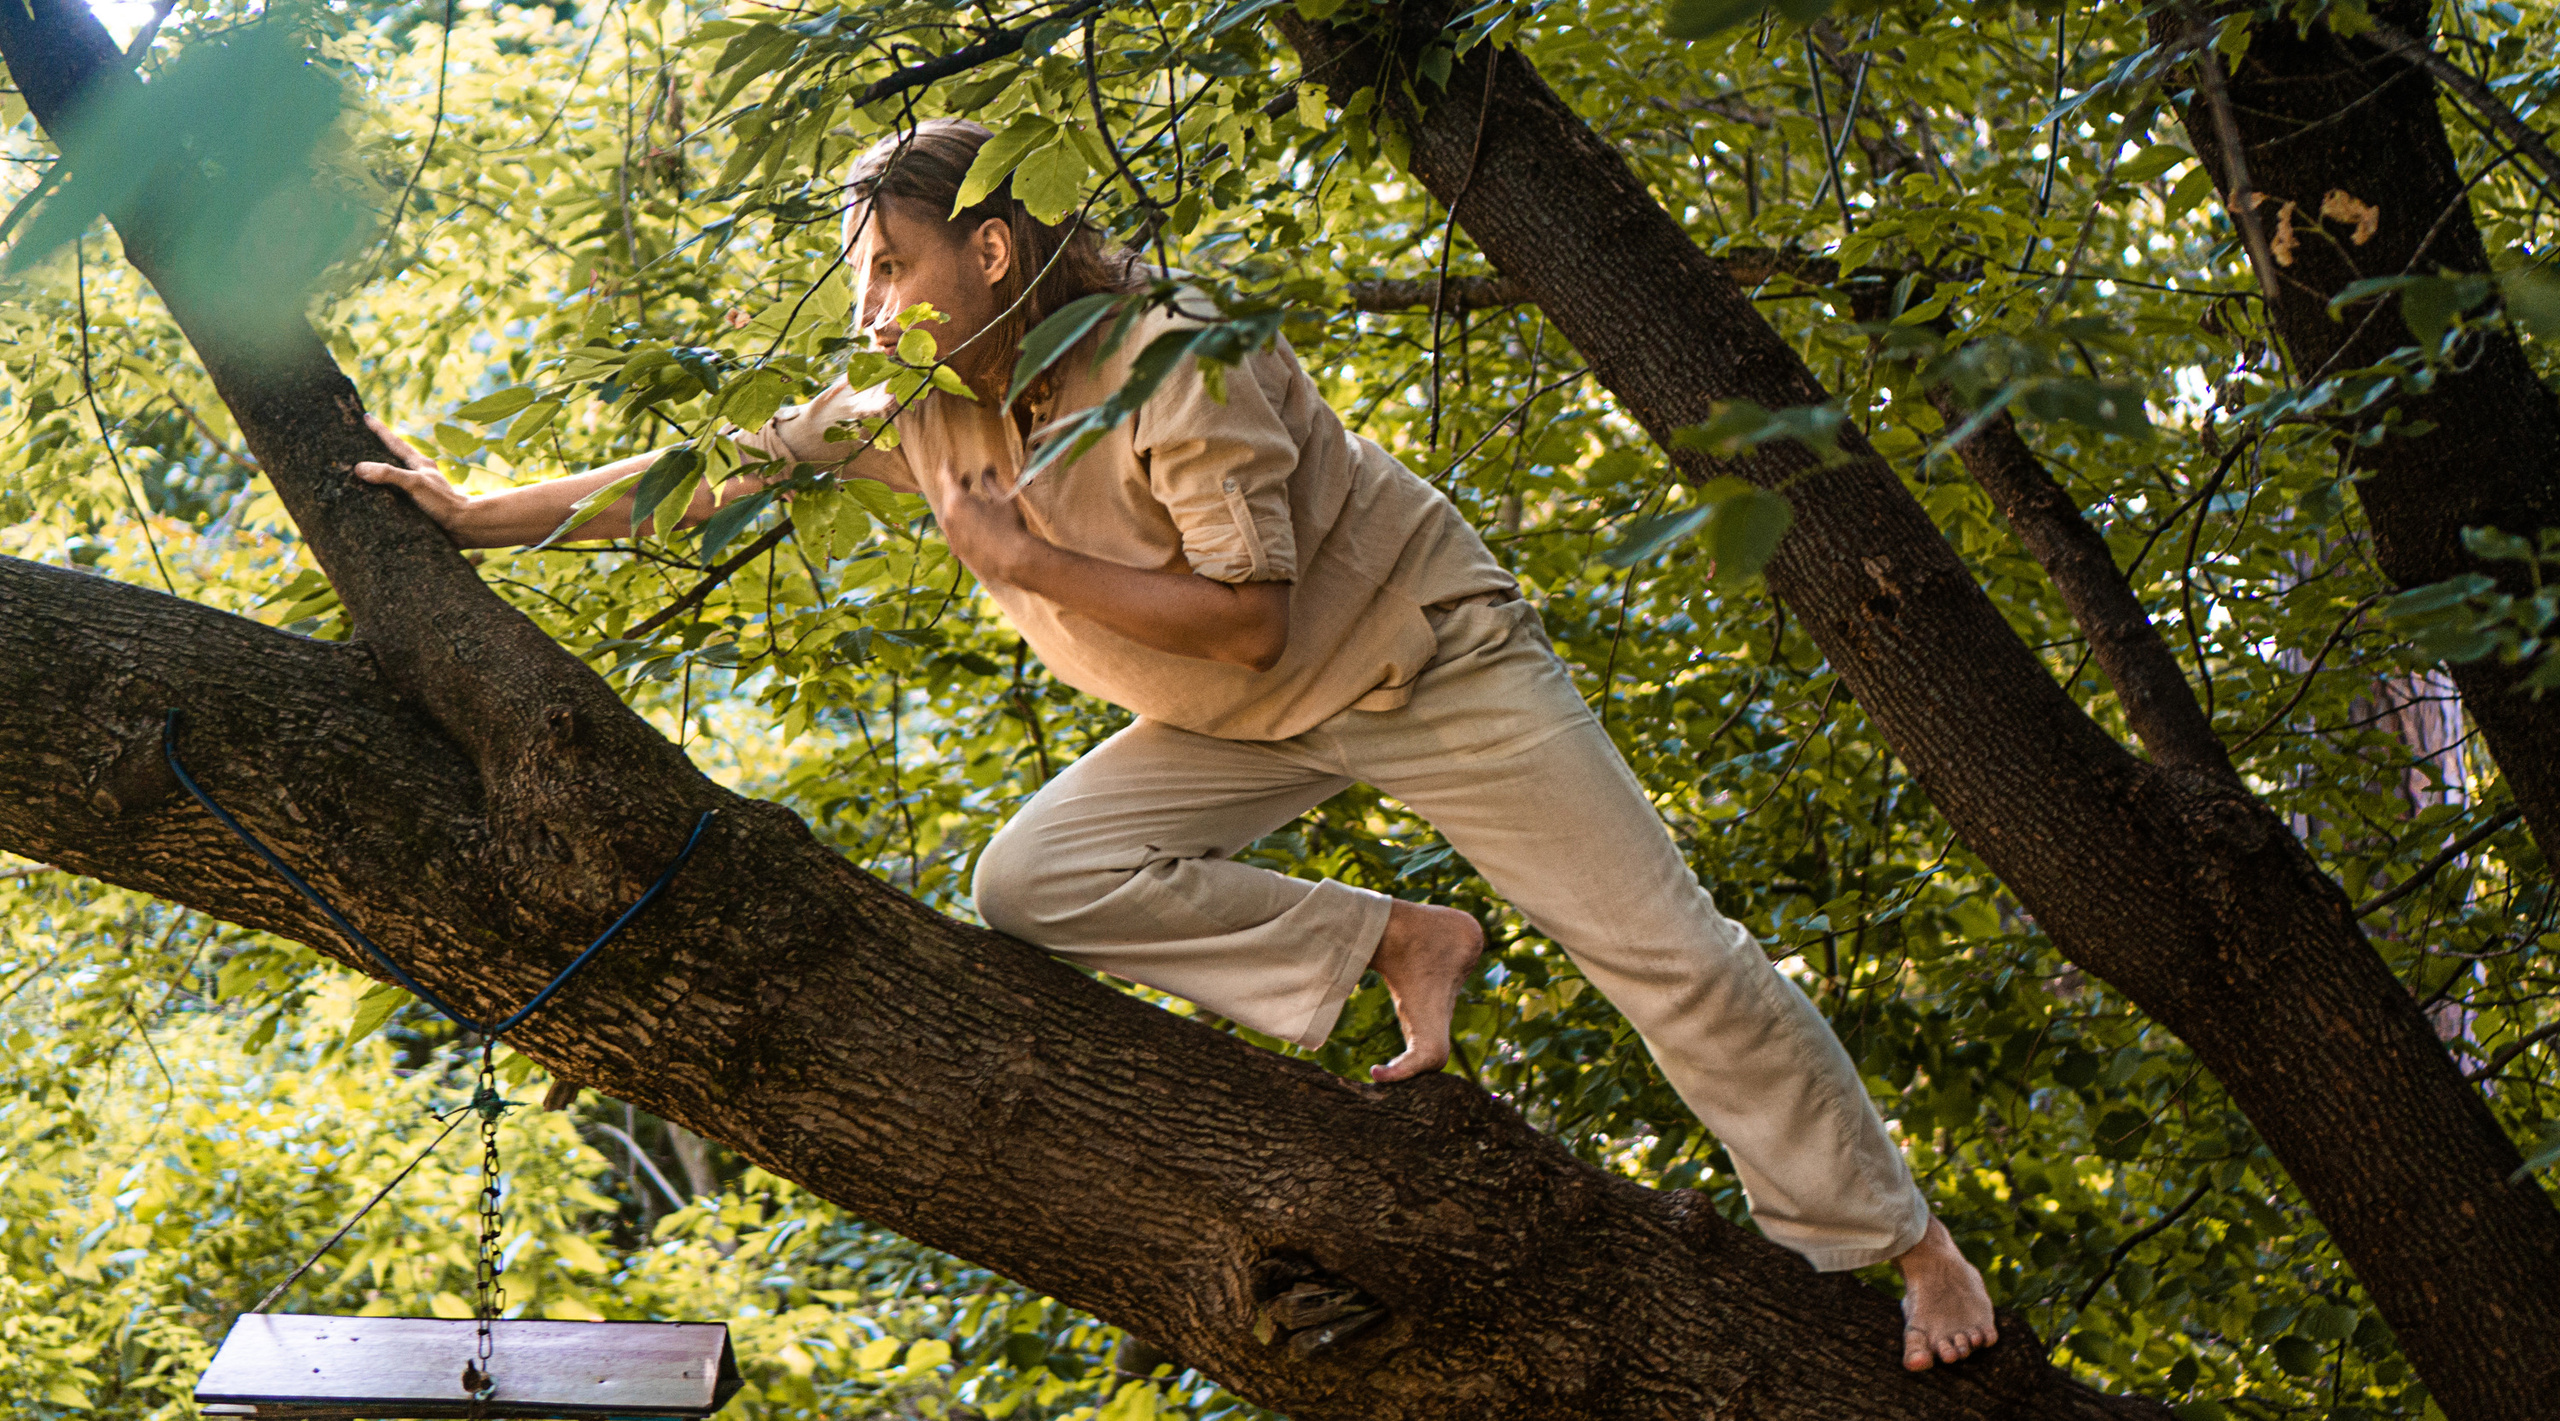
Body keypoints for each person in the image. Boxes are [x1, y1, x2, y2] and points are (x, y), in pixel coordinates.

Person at [355, 117, 1998, 1370]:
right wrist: (480, 515)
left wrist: (1028, 561)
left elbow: (1254, 614)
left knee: (1670, 957)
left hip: (1417, 657)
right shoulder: (919, 403)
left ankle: (1902, 1246)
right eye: (860, 276)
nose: (869, 308)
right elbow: (714, 466)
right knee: (1036, 877)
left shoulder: (1180, 356)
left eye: (893, 266)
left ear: (992, 256)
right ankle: (1401, 939)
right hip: (1237, 721)